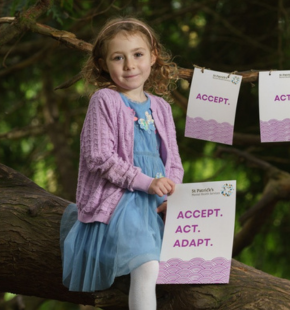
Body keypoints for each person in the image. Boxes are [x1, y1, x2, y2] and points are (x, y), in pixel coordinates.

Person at [59, 17, 184, 310]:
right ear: (103, 64)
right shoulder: (106, 100)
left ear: (153, 56)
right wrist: (147, 182)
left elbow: (173, 161)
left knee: (174, 268)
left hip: (154, 203)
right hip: (121, 202)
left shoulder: (162, 107)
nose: (130, 65)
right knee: (148, 267)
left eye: (138, 54)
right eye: (119, 57)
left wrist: (168, 192)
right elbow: (99, 157)